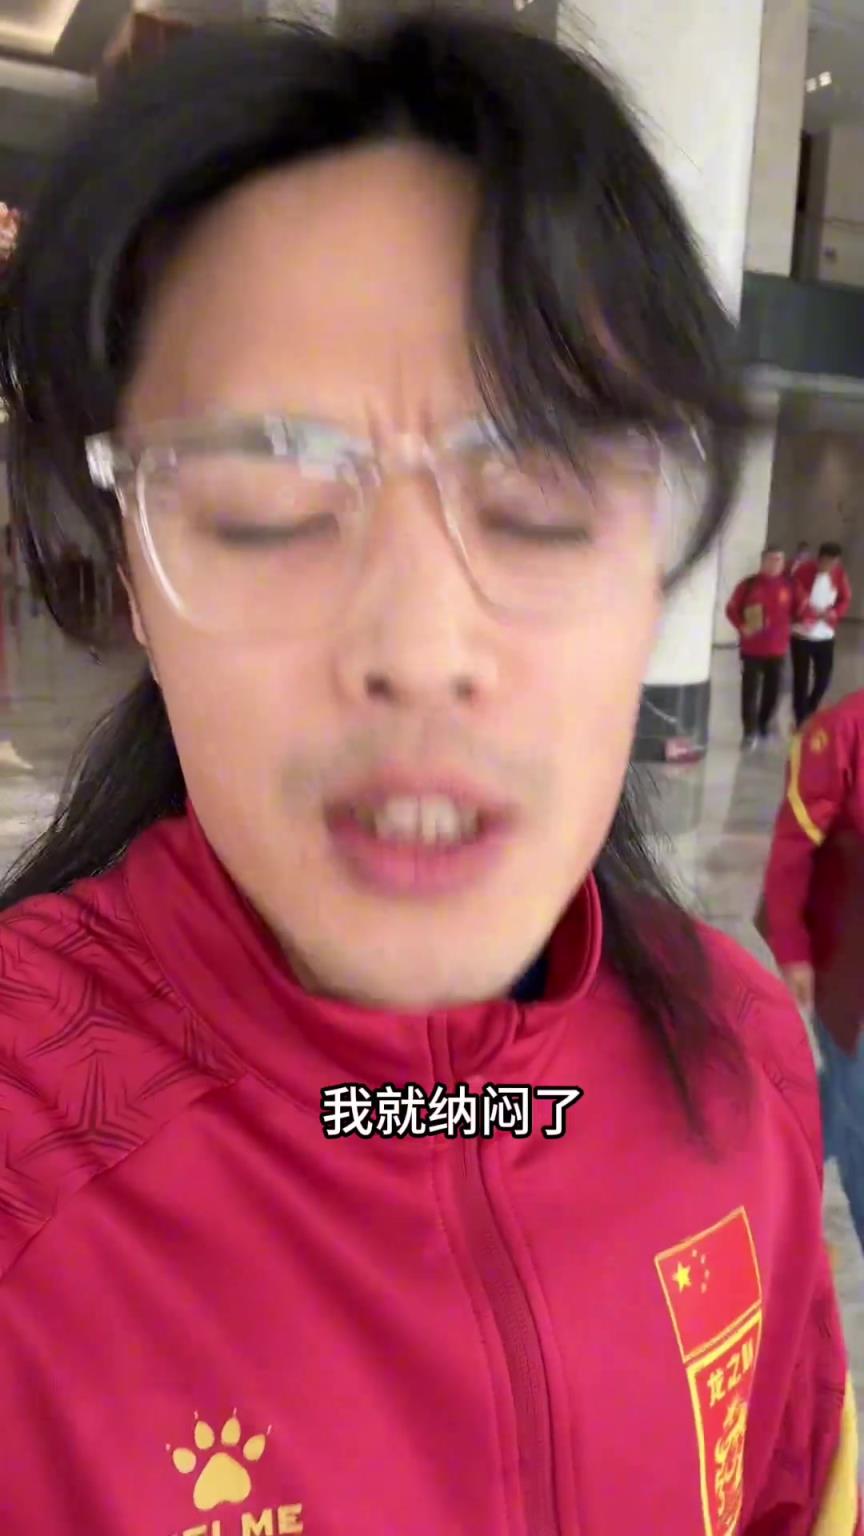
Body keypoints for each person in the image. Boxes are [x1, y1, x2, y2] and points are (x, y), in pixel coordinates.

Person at [0, 16, 857, 1536]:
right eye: (267, 499)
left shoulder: (743, 1062)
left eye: (539, 494)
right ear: (128, 563)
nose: (419, 647)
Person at [761, 691, 864, 1259]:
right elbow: (793, 847)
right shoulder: (840, 732)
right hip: (849, 964)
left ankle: (769, 1160)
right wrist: (793, 948)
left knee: (843, 1096)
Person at [725, 546, 793, 749]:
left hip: (778, 649)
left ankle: (763, 725)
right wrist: (741, 626)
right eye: (771, 559)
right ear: (763, 561)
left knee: (774, 691)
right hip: (752, 650)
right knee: (750, 692)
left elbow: (801, 609)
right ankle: (749, 732)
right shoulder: (748, 585)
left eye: (779, 560)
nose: (775, 564)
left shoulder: (789, 586)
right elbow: (731, 609)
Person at [791, 541, 852, 729]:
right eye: (827, 562)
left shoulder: (839, 574)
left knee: (823, 678)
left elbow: (845, 598)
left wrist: (834, 613)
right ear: (819, 559)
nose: (830, 566)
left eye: (834, 563)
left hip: (825, 634)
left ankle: (810, 708)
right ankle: (800, 717)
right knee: (801, 679)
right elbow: (795, 597)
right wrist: (810, 614)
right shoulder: (803, 571)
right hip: (802, 634)